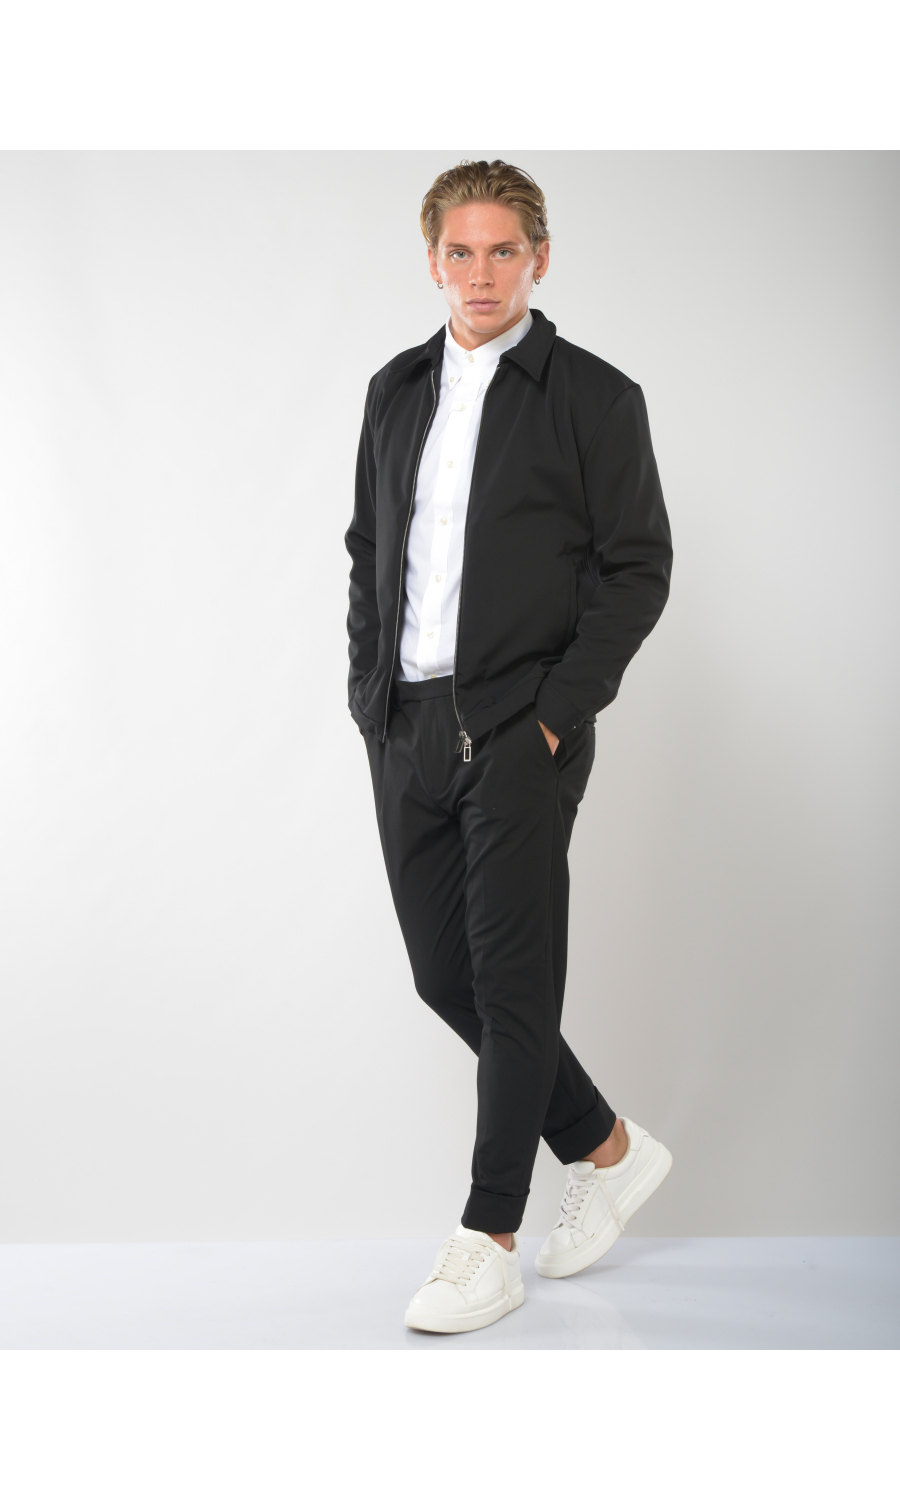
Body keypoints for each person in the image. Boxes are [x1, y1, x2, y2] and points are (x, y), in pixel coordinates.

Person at [345, 160, 674, 1334]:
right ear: (432, 259)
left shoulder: (594, 397)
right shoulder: (396, 390)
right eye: (459, 252)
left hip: (521, 727)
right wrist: (370, 697)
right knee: (448, 975)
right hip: (407, 724)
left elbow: (638, 568)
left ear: (539, 257)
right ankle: (608, 1148)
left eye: (502, 251)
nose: (480, 274)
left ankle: (488, 1238)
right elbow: (369, 551)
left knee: (515, 980)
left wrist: (551, 716)